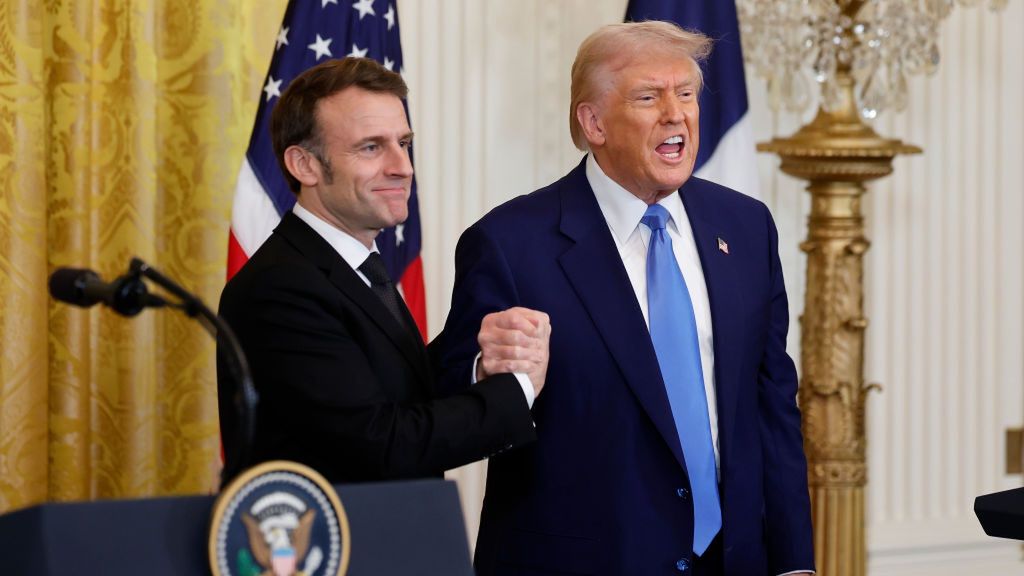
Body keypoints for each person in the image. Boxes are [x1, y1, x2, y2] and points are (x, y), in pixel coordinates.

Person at [435, 21, 814, 575]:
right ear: (593, 122)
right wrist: (481, 368)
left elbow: (772, 408)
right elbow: (445, 398)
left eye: (686, 93)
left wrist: (793, 563)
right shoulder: (510, 243)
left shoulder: (747, 226)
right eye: (648, 96)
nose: (676, 113)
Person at [217, 57, 550, 487]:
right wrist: (517, 389)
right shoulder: (279, 288)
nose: (403, 167)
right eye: (371, 147)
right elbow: (379, 445)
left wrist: (482, 366)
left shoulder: (355, 267)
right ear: (305, 165)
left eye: (404, 143)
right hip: (342, 550)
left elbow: (394, 392)